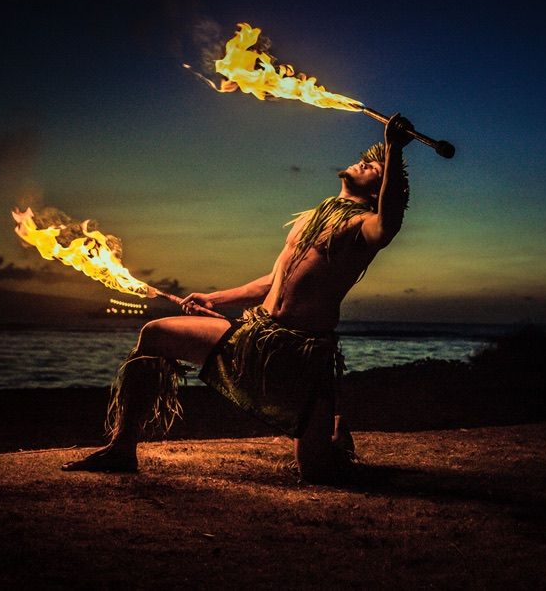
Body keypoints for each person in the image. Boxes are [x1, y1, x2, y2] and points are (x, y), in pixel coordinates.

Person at [62, 114, 414, 482]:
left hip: (300, 356)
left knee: (316, 471)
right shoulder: (310, 218)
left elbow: (388, 223)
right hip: (253, 336)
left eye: (377, 166)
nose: (366, 161)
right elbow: (274, 279)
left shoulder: (363, 227)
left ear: (379, 188)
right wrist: (216, 298)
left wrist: (392, 147)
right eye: (370, 158)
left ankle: (335, 436)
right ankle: (122, 449)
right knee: (154, 334)